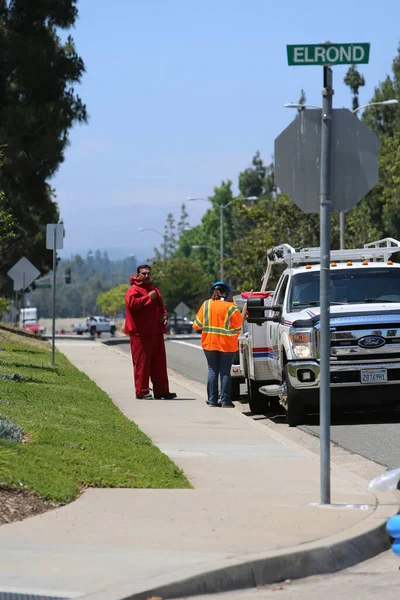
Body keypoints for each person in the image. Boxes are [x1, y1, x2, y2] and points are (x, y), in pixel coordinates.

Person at [124, 264, 176, 400]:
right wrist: (148, 298)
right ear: (138, 275)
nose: (146, 276)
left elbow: (162, 307)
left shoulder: (154, 290)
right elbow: (132, 305)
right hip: (140, 334)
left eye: (148, 273)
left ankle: (161, 391)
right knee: (142, 363)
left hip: (156, 332)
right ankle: (141, 391)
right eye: (143, 273)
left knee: (159, 364)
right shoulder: (133, 290)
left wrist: (164, 315)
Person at [193, 281, 243, 407]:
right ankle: (225, 401)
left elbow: (196, 325)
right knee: (225, 372)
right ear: (225, 293)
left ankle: (212, 400)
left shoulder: (206, 305)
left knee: (212, 370)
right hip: (227, 345)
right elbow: (238, 326)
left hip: (209, 343)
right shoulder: (231, 307)